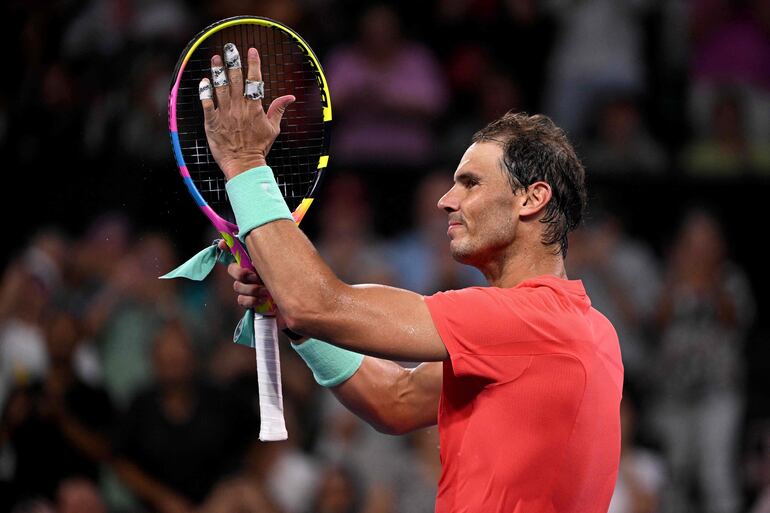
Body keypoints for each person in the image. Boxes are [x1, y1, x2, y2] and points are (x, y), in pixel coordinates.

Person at [197, 43, 623, 512]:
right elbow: (394, 400)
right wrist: (295, 319)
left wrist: (244, 163)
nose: (445, 200)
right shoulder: (574, 330)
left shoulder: (529, 322)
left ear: (531, 199)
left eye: (471, 183)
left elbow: (320, 303)